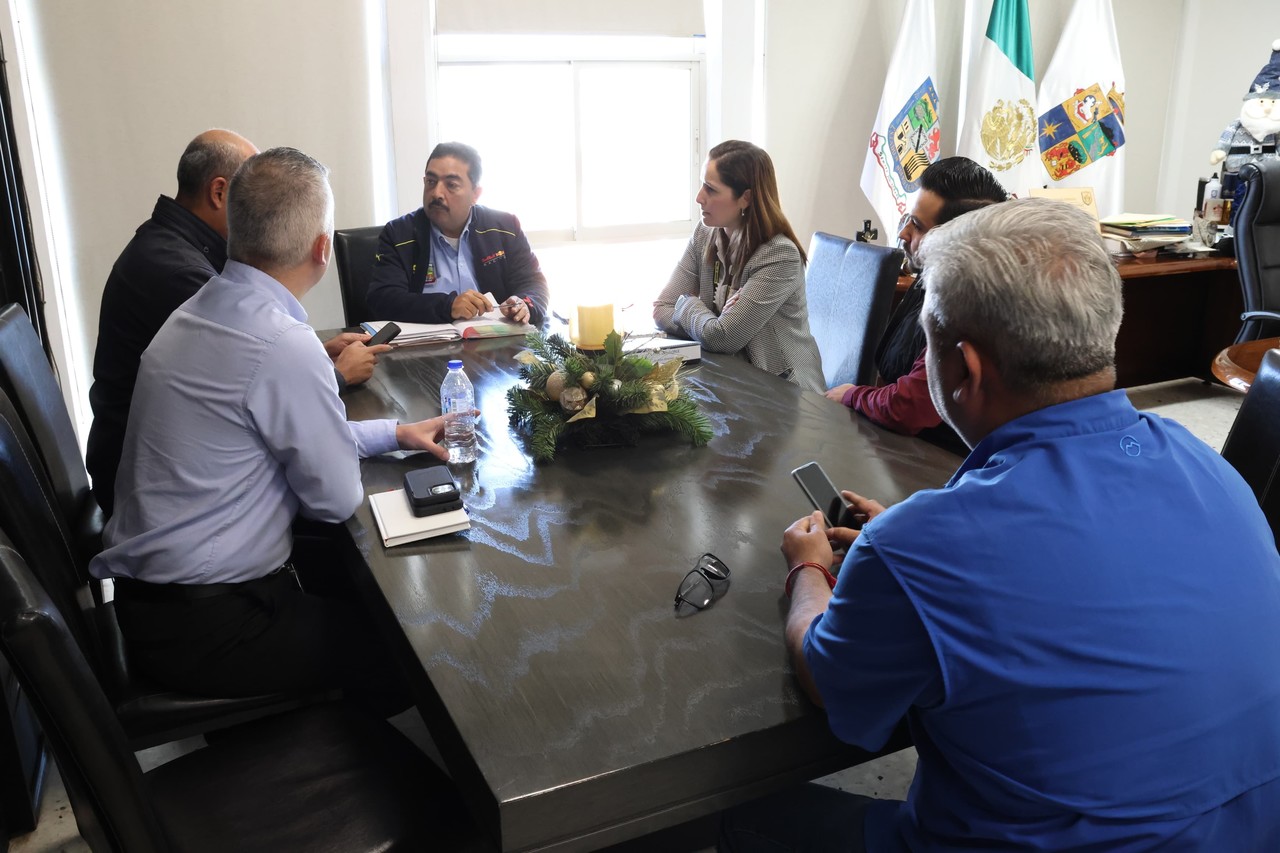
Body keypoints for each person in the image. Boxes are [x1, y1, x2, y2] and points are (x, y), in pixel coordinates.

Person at [720, 199, 1280, 851]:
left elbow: (827, 681)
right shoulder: (1207, 468)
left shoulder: (924, 546)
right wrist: (904, 544)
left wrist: (808, 569)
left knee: (741, 817)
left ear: (965, 368)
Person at [90, 147, 456, 715]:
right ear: (321, 250)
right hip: (211, 627)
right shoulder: (281, 343)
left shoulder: (200, 308)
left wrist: (394, 433)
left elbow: (280, 440)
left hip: (154, 601)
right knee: (415, 645)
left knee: (354, 587)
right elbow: (334, 498)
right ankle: (323, 767)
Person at [87, 129, 388, 517]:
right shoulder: (182, 277)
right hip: (175, 514)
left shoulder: (193, 276)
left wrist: (391, 432)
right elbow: (335, 500)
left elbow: (246, 379)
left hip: (161, 494)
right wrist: (328, 373)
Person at [825, 157, 1007, 453]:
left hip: (937, 464)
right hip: (896, 445)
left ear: (955, 237)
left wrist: (853, 396)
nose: (903, 234)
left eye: (918, 226)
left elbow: (910, 408)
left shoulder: (972, 306)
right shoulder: (929, 276)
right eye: (907, 220)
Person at [654, 140, 824, 391]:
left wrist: (687, 303)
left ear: (745, 198)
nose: (699, 198)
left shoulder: (779, 255)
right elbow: (661, 308)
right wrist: (709, 321)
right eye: (702, 184)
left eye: (711, 189)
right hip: (731, 383)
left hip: (785, 394)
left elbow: (722, 338)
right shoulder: (704, 234)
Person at [365, 141, 549, 326]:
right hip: (427, 347)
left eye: (451, 185)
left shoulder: (505, 227)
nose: (437, 193)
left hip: (496, 345)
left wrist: (524, 304)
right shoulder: (398, 234)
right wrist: (448, 306)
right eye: (431, 181)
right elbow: (383, 299)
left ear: (475, 194)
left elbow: (534, 283)